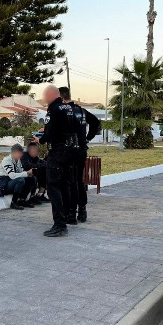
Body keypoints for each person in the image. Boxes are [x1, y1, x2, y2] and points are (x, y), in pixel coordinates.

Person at [35, 85, 77, 237]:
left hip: (58, 153)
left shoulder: (53, 109)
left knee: (53, 187)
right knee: (65, 186)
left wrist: (40, 139)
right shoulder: (69, 108)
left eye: (45, 95)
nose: (44, 99)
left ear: (51, 95)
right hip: (70, 152)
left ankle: (59, 225)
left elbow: (50, 133)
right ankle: (67, 216)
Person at [59, 87, 101, 223]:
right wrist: (87, 139)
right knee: (79, 180)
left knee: (69, 182)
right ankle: (82, 210)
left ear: (61, 98)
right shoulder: (82, 111)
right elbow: (96, 123)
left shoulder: (64, 112)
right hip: (81, 151)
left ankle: (71, 213)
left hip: (69, 152)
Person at [0, 144, 38, 210]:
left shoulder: (18, 160)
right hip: (3, 184)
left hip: (11, 182)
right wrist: (27, 173)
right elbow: (12, 176)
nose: (21, 155)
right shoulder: (7, 160)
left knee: (32, 179)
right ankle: (13, 202)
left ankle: (22, 200)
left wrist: (29, 174)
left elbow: (21, 172)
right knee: (20, 180)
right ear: (13, 153)